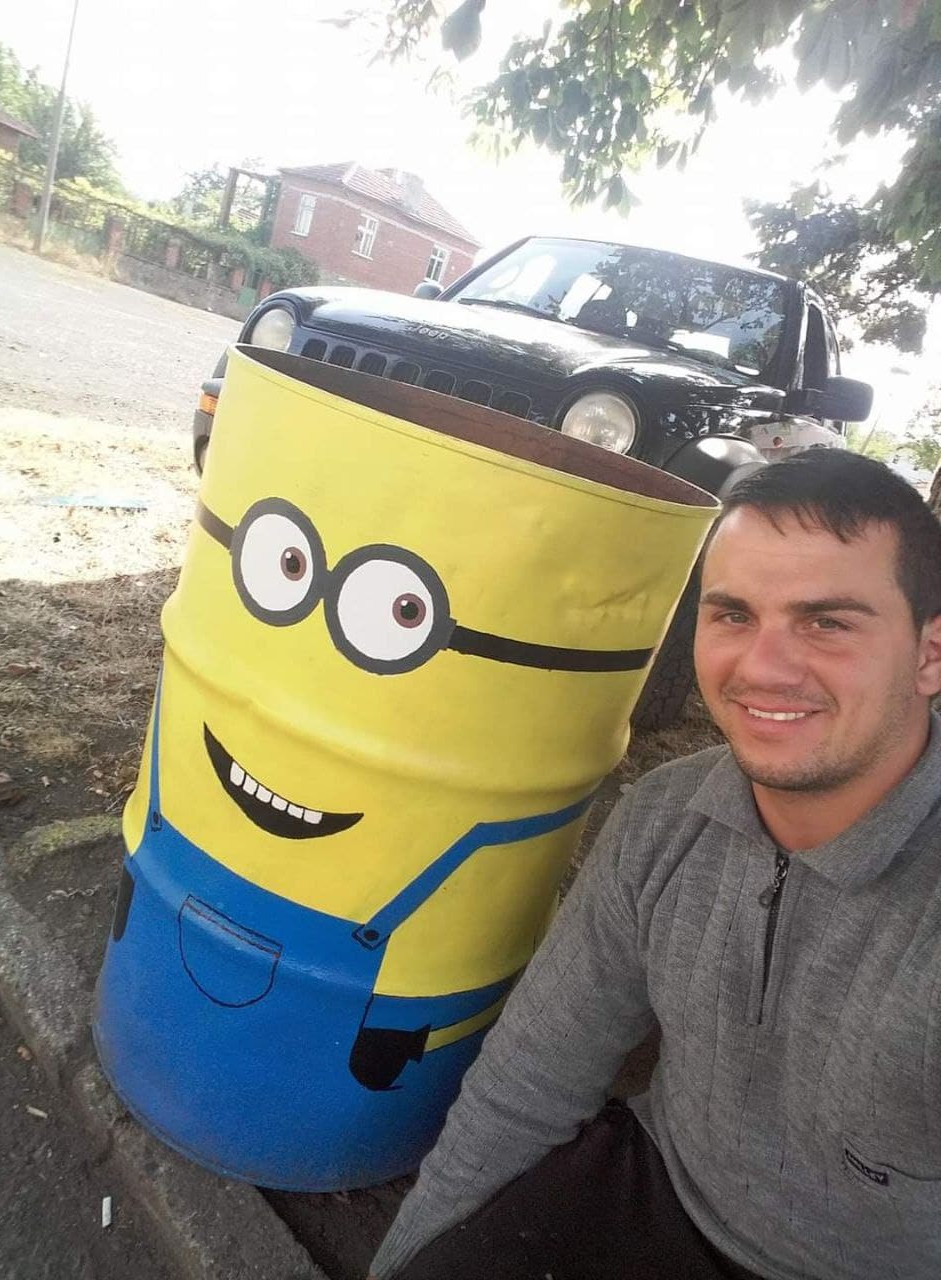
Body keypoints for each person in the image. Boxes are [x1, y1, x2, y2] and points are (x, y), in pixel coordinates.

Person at [368, 449, 941, 1280]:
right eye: (733, 614)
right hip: (661, 1186)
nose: (762, 666)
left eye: (827, 623)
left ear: (929, 654)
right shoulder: (667, 819)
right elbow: (531, 1080)